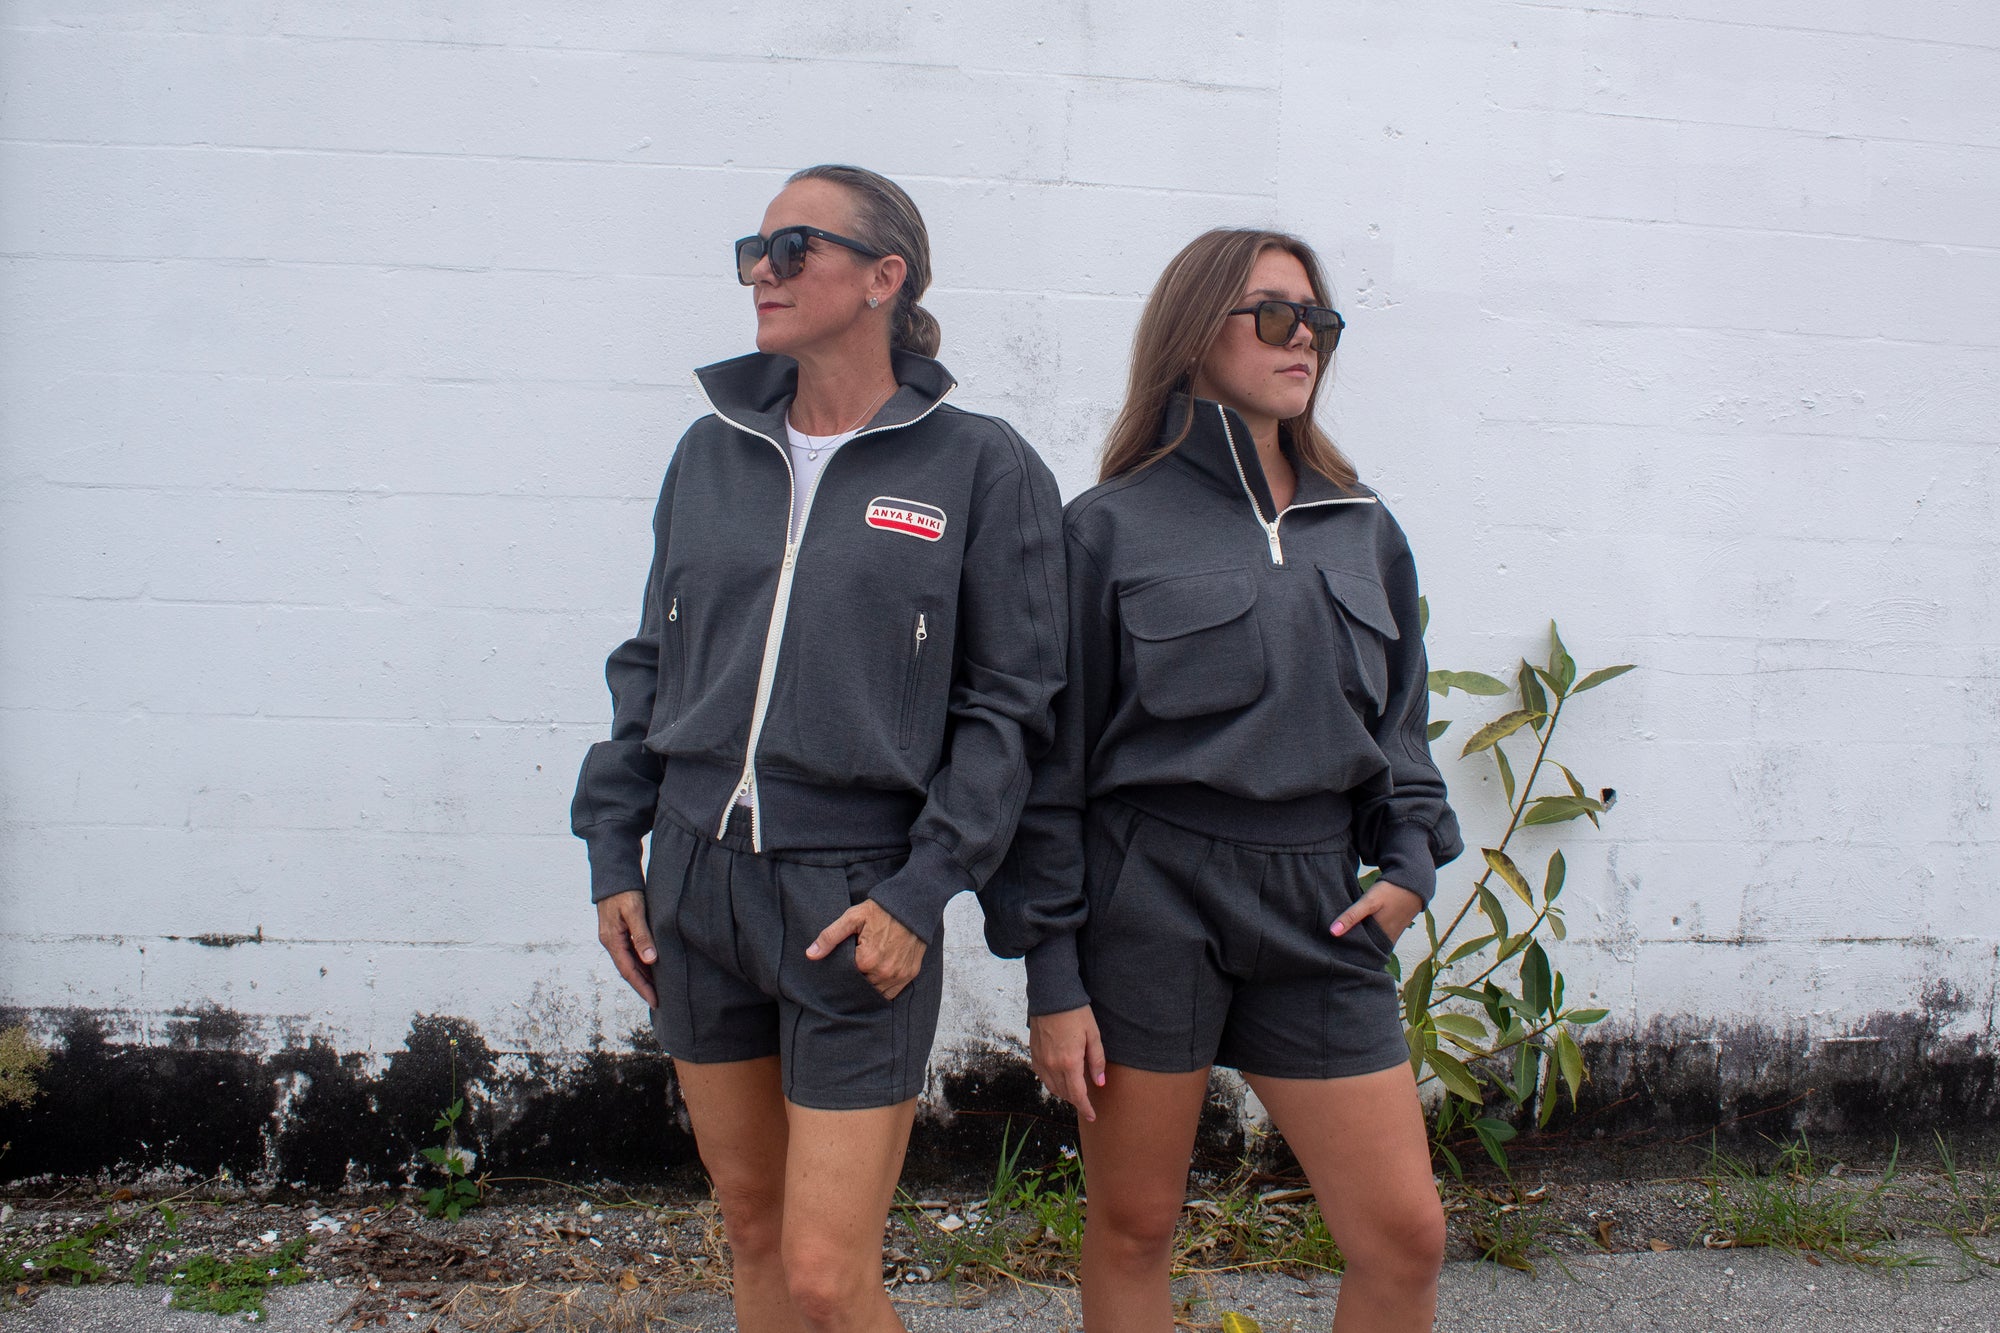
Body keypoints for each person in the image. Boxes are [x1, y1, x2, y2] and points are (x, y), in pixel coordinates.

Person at [572, 164, 1068, 1333]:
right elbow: (651, 662)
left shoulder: (977, 466)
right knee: (751, 1232)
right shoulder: (710, 453)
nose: (760, 270)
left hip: (854, 906)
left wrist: (923, 885)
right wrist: (615, 854)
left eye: (792, 248)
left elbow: (1011, 709)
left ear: (883, 278)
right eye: (754, 247)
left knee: (823, 1273)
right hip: (693, 884)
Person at [1004, 228, 1464, 1332]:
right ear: (1191, 330)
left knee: (1404, 1236)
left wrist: (1406, 861)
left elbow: (1397, 723)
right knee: (1134, 1227)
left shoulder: (1360, 529)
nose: (1301, 335)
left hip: (1318, 902)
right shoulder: (1103, 530)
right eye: (1270, 313)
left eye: (1316, 318)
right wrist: (1053, 976)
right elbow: (1048, 772)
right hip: (1147, 902)